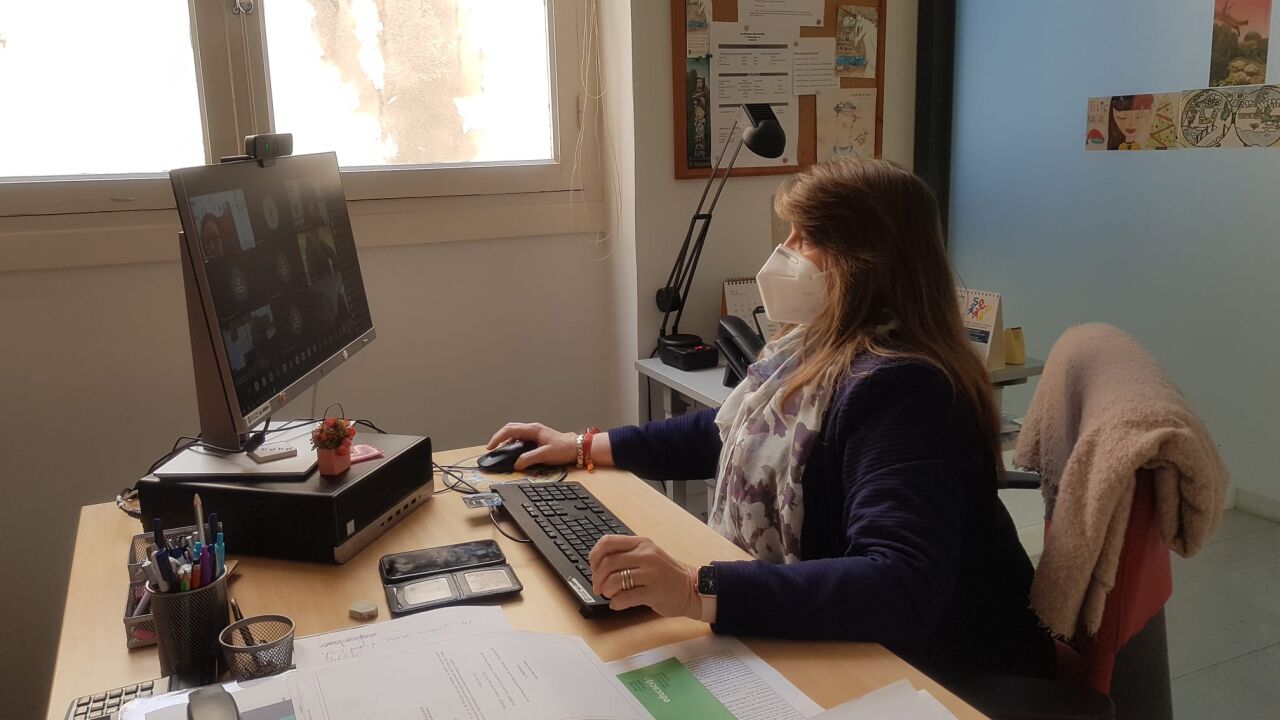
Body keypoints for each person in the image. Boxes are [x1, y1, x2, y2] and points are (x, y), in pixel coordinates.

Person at [487, 160, 1055, 680]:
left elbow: (899, 584)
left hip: (942, 672)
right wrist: (581, 445)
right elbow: (726, 434)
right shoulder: (811, 349)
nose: (783, 252)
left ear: (863, 261)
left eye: (804, 238)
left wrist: (695, 588)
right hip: (848, 638)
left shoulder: (907, 390)